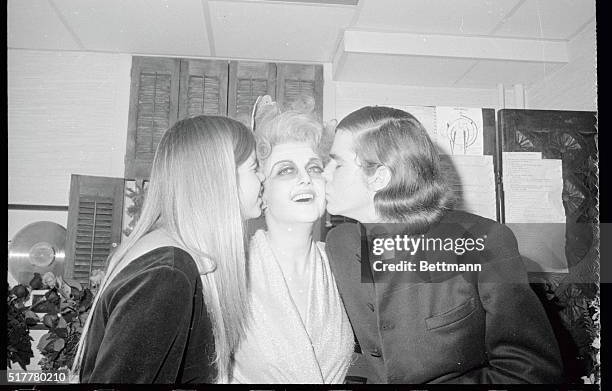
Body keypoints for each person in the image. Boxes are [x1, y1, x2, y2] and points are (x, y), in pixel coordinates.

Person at [322, 106, 563, 384]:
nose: (325, 174)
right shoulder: (339, 245)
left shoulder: (481, 241)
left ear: (379, 177)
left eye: (337, 164)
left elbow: (531, 371)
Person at [71, 116, 264, 384]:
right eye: (255, 167)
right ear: (220, 179)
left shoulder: (168, 257)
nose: (263, 178)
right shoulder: (168, 272)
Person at [230, 96, 354, 383]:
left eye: (314, 168)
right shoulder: (234, 270)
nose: (305, 179)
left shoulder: (342, 264)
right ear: (262, 191)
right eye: (286, 170)